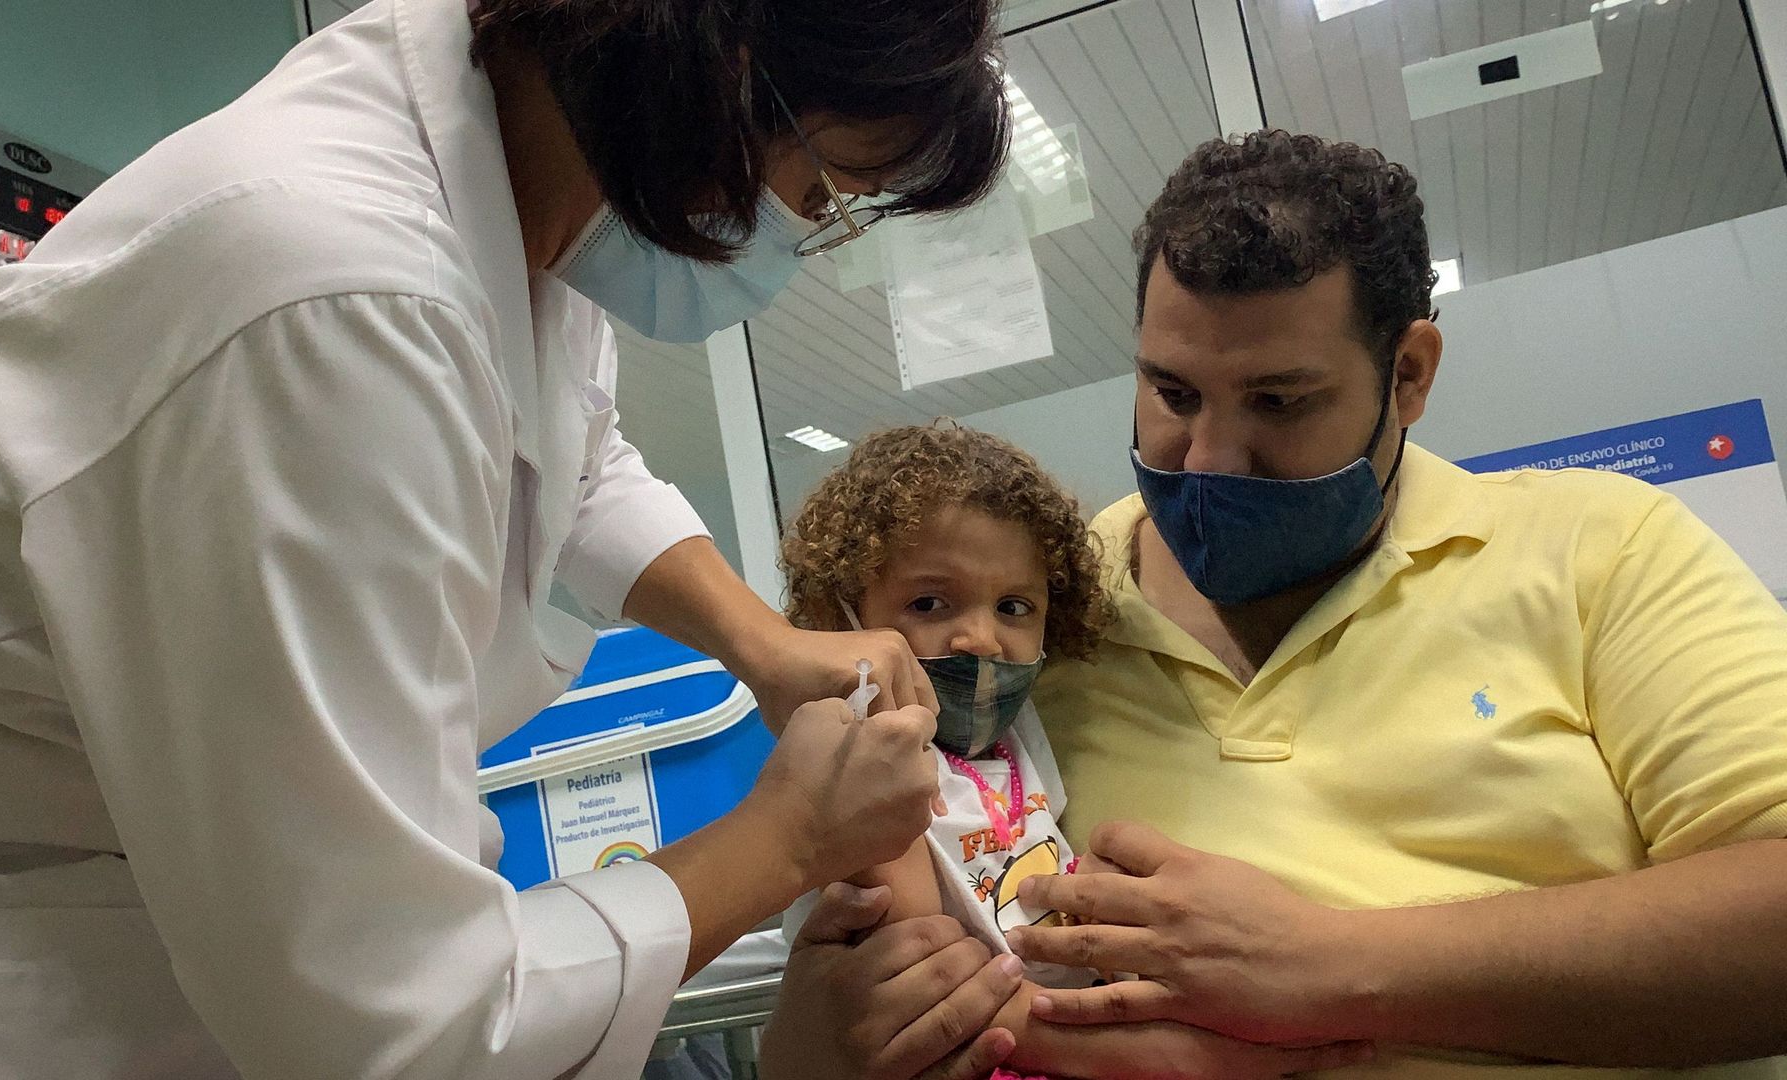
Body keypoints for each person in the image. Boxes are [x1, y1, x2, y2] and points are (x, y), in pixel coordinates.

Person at [0, 1, 1011, 1076]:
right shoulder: (332, 296)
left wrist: (757, 641)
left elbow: (572, 448)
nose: (808, 229)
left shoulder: (527, 190)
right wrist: (784, 840)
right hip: (28, 978)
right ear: (724, 73)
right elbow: (396, 1021)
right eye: (824, 188)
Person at [763, 130, 1787, 1079]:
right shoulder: (1036, 612)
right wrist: (813, 1047)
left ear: (1411, 374)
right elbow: (860, 942)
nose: (1209, 459)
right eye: (1172, 393)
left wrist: (1333, 967)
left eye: (1279, 402)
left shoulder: (1599, 548)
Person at [774, 422, 1374, 1080]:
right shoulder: (861, 759)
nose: (981, 639)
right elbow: (925, 973)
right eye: (928, 602)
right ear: (843, 618)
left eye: (1013, 606)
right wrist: (1157, 1053)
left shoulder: (1012, 732)